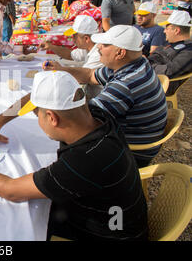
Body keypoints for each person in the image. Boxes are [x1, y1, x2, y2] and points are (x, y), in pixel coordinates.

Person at [0, 71, 148, 241]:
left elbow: (11, 190)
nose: (35, 114)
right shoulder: (93, 114)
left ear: (52, 117)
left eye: (38, 114)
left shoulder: (84, 159)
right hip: (115, 217)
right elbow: (32, 99)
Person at [42, 25, 167, 168]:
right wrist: (62, 69)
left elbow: (82, 122)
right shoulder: (136, 64)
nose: (99, 47)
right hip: (136, 139)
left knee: (54, 137)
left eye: (105, 45)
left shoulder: (125, 85)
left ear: (120, 53)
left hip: (132, 153)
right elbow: (90, 75)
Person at [40, 15, 104, 98]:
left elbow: (85, 76)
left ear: (86, 39)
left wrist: (60, 69)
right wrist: (51, 46)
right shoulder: (87, 47)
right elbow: (70, 54)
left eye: (74, 36)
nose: (72, 39)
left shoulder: (99, 53)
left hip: (98, 100)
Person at [150, 10, 192, 95]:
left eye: (167, 28)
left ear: (176, 30)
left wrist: (148, 67)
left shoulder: (189, 51)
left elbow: (170, 71)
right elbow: (154, 56)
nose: (164, 31)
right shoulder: (170, 43)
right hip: (151, 76)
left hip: (162, 84)